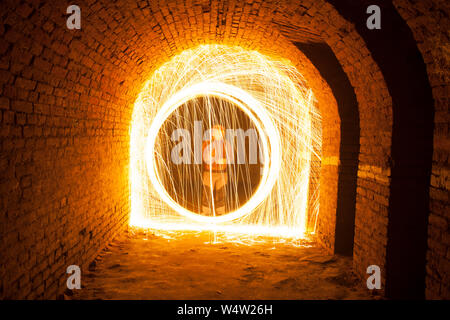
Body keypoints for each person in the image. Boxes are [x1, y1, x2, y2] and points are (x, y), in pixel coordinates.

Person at [201, 124, 231, 216]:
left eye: (221, 132)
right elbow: (204, 157)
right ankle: (206, 211)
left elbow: (230, 158)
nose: (219, 134)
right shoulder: (207, 143)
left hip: (222, 173)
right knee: (207, 192)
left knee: (221, 192)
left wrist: (224, 160)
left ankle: (220, 211)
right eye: (216, 132)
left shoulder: (226, 144)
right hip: (209, 173)